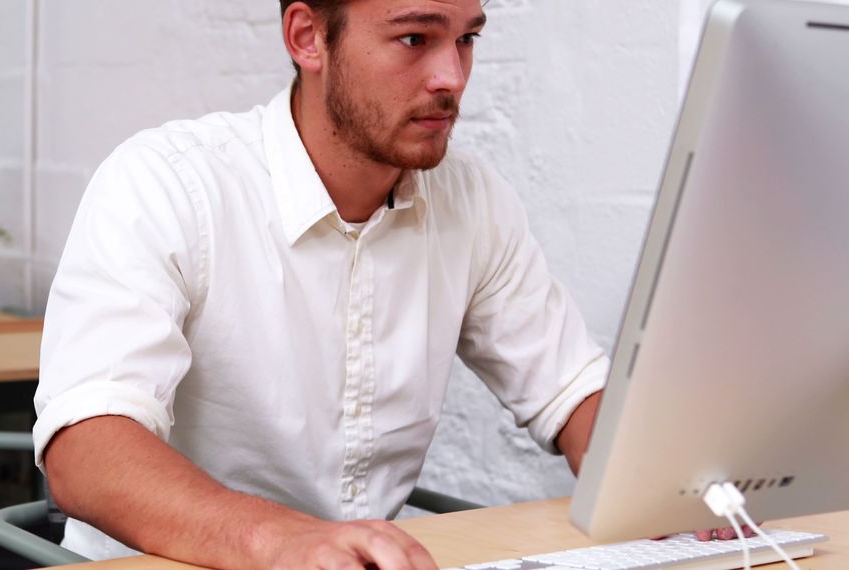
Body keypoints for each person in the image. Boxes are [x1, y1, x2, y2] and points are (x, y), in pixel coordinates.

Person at [34, 1, 610, 567]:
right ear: (308, 37)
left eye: (466, 40)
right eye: (415, 39)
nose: (451, 78)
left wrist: (671, 487)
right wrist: (280, 541)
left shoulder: (472, 202)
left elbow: (576, 392)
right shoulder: (167, 184)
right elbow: (85, 450)